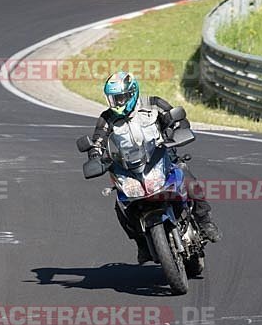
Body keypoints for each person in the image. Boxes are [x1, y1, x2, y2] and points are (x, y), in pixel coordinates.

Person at [88, 71, 222, 264]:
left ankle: (205, 221)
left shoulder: (153, 104)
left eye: (120, 98)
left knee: (185, 173)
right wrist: (95, 153)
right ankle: (141, 244)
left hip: (162, 157)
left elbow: (178, 118)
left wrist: (176, 128)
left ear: (132, 93)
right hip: (130, 169)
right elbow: (98, 140)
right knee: (120, 203)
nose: (117, 103)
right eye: (113, 99)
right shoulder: (106, 118)